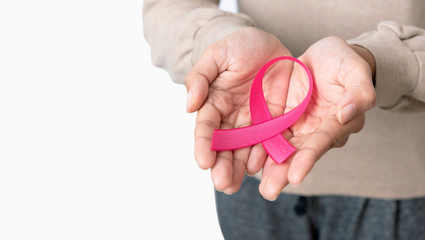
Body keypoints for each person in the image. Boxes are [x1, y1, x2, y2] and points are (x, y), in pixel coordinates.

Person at [143, 1, 425, 239]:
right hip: (252, 176)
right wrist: (215, 38)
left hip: (404, 193)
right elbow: (167, 8)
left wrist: (379, 61)